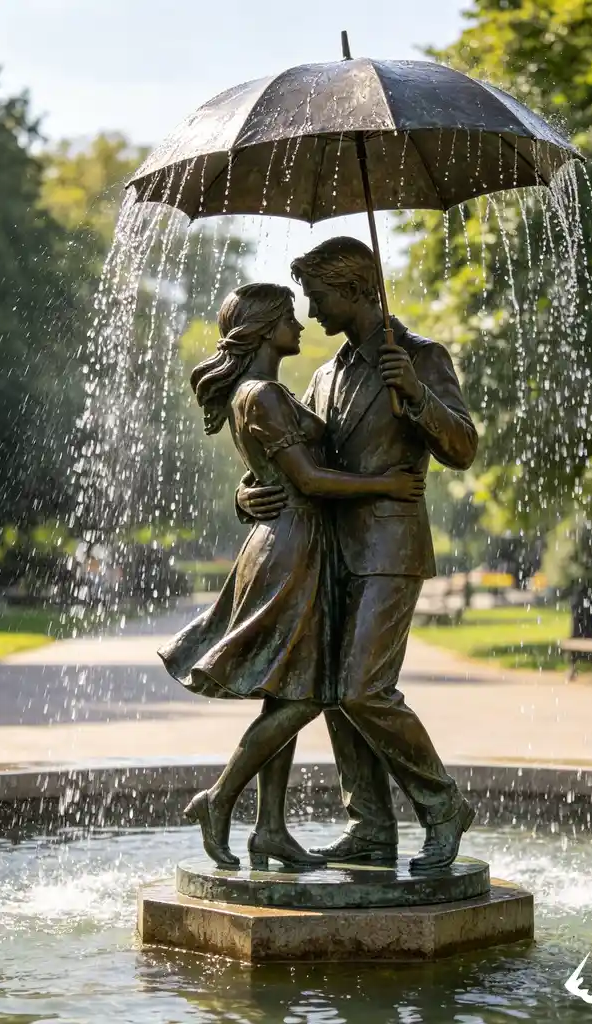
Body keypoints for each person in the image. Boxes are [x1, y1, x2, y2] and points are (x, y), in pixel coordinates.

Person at [158, 283, 425, 871]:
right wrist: (385, 485)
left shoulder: (272, 391)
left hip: (303, 540)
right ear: (262, 329)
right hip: (291, 546)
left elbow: (280, 469)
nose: (300, 322)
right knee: (308, 693)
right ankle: (220, 797)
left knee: (286, 687)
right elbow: (307, 478)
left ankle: (270, 830)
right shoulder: (262, 395)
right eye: (287, 316)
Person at [237, 236, 479, 871]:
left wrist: (418, 397)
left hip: (391, 547)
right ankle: (370, 826)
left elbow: (463, 448)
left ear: (353, 290)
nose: (312, 311)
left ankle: (442, 805)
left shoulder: (420, 357)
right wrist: (248, 492)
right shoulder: (325, 376)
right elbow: (301, 464)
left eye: (319, 297)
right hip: (327, 552)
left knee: (364, 688)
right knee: (336, 690)